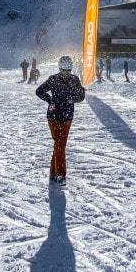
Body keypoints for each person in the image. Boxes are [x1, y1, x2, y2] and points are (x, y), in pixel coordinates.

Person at [35, 55, 86, 185]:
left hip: (67, 116)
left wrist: (72, 99)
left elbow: (81, 95)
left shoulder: (75, 80)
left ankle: (54, 172)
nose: (66, 73)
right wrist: (50, 100)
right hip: (54, 116)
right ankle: (60, 175)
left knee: (59, 144)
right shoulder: (53, 79)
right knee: (60, 143)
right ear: (59, 68)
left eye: (68, 70)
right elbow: (39, 91)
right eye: (64, 69)